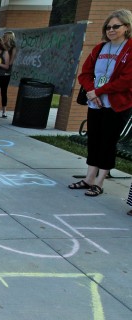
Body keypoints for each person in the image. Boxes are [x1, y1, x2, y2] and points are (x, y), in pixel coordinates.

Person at [70, 8, 132, 198]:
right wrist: (90, 91)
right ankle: (89, 178)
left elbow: (126, 79)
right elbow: (85, 73)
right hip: (95, 103)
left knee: (107, 142)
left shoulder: (129, 49)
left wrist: (99, 91)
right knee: (94, 140)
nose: (111, 30)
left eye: (115, 26)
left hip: (116, 105)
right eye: (108, 27)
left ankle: (99, 182)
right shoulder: (100, 48)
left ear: (127, 27)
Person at [1, 31, 17, 118]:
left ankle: (4, 111)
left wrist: (3, 65)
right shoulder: (2, 46)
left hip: (6, 71)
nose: (3, 38)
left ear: (9, 37)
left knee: (4, 91)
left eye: (5, 37)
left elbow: (11, 61)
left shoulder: (13, 48)